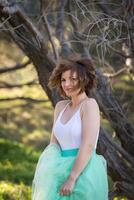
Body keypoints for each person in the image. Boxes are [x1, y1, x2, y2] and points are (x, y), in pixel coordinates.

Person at [32, 56, 109, 200]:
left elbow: (88, 144)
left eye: (73, 79)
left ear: (84, 79)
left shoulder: (89, 105)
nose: (67, 84)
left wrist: (72, 178)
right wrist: (50, 172)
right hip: (59, 169)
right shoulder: (60, 107)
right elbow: (54, 143)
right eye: (63, 80)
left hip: (83, 171)